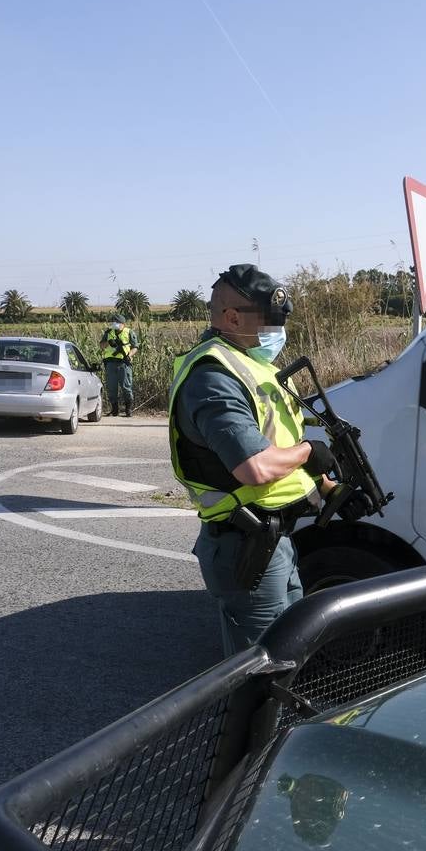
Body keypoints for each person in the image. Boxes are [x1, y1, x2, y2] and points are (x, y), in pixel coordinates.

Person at [168, 264, 338, 654]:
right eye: (271, 322)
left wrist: (328, 487)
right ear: (231, 318)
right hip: (247, 546)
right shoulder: (213, 376)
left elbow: (281, 446)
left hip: (275, 541)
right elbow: (255, 466)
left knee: (290, 661)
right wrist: (311, 451)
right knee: (260, 675)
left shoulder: (258, 366)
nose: (278, 331)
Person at [99, 312, 138, 416]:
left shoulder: (129, 332)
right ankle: (114, 409)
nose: (114, 324)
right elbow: (101, 345)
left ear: (123, 324)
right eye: (114, 322)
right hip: (110, 363)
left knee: (126, 386)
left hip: (124, 363)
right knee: (111, 388)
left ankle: (128, 409)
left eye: (117, 322)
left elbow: (135, 347)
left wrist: (130, 355)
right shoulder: (108, 332)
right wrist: (108, 342)